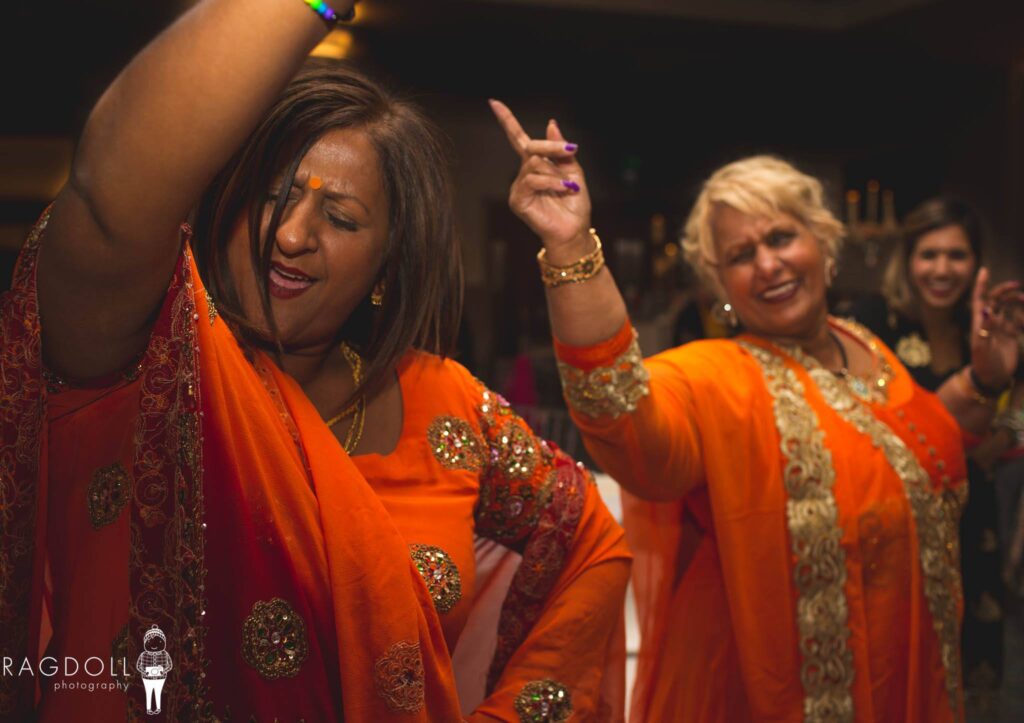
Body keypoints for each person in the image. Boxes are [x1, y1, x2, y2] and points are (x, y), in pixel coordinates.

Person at [0, 2, 629, 721]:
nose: (294, 234)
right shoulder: (148, 359)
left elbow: (588, 541)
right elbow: (107, 204)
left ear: (385, 266)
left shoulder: (445, 403)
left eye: (340, 218)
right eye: (274, 197)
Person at [490, 100, 1023, 722]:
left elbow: (923, 432)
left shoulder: (865, 345)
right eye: (741, 256)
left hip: (909, 682)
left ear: (822, 242)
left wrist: (986, 379)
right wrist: (571, 248)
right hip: (770, 695)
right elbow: (621, 414)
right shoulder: (718, 377)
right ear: (722, 285)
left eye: (780, 238)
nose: (767, 264)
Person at [851, 197, 1023, 694]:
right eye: (929, 255)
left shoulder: (993, 321)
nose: (942, 269)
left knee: (979, 657)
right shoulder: (872, 323)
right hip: (898, 517)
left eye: (957, 255)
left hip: (977, 514)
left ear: (976, 262)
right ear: (907, 261)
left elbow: (1019, 402)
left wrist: (1006, 433)